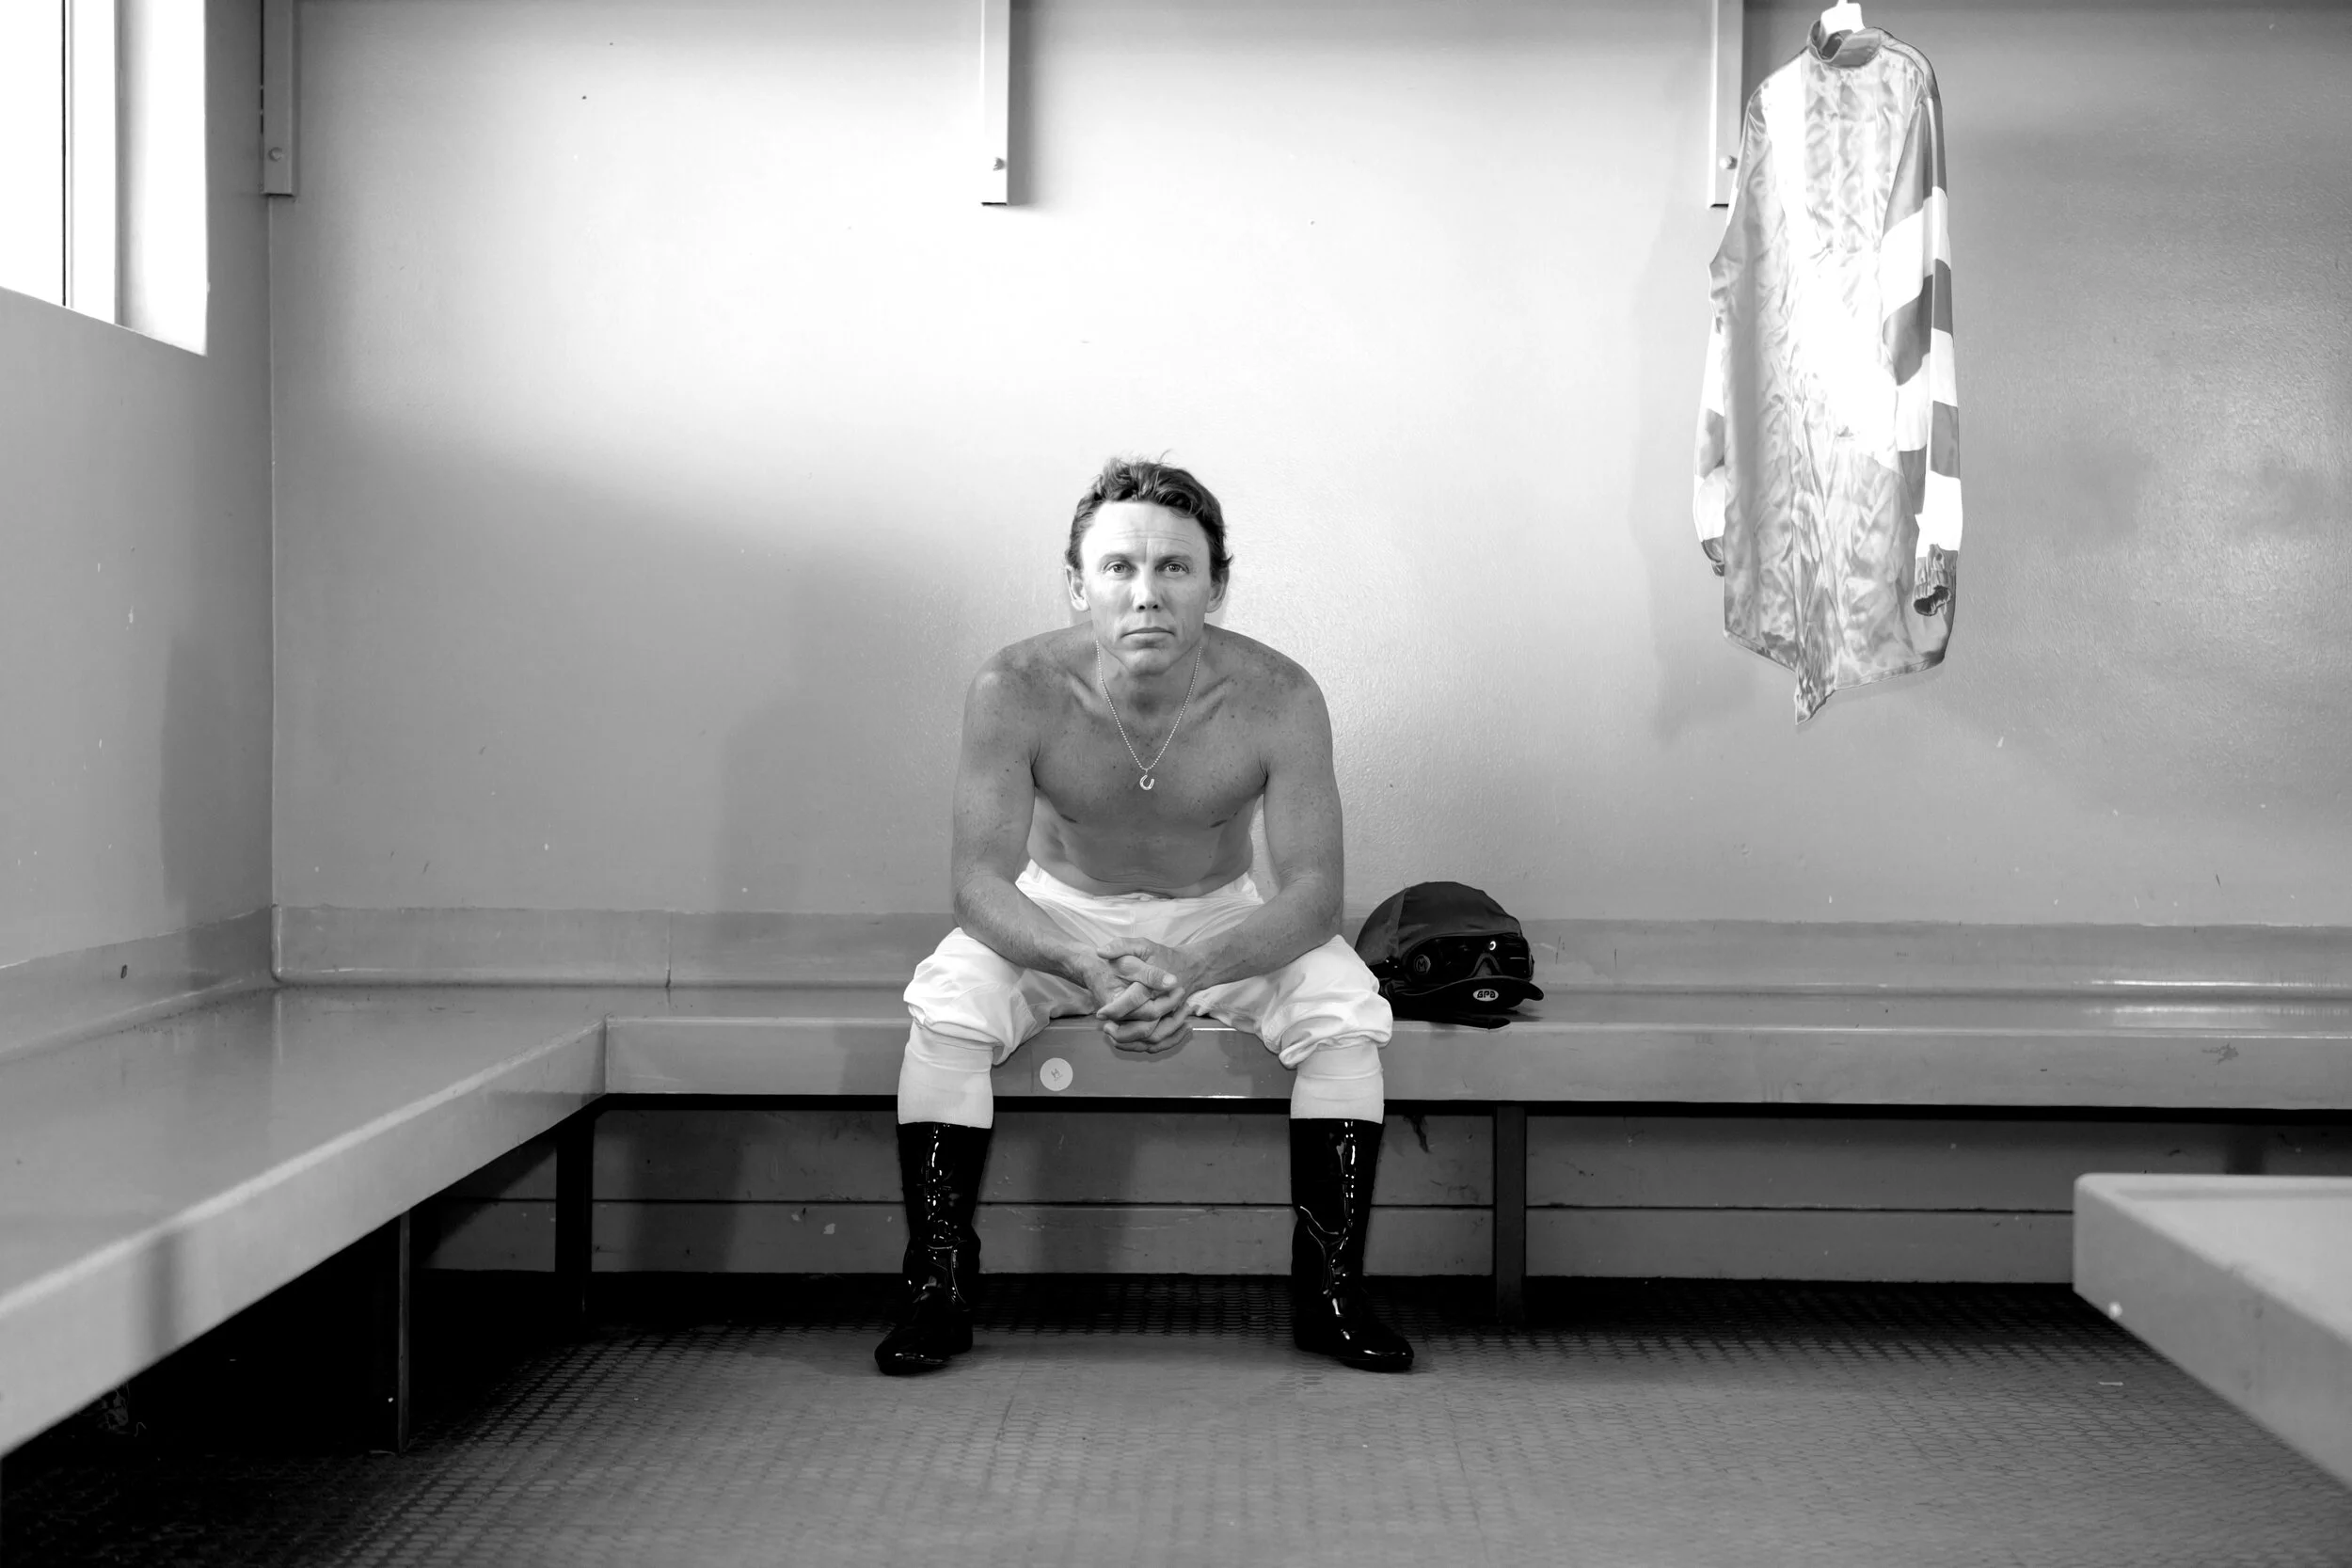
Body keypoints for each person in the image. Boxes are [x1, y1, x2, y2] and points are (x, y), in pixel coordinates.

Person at [877, 457, 1412, 1376]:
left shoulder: (1279, 697)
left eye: (1174, 567)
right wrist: (1083, 961)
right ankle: (938, 1284)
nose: (1146, 593)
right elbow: (978, 884)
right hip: (1056, 912)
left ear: (1215, 583)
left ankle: (1328, 1288)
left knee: (1344, 1011)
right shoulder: (1014, 688)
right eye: (1119, 567)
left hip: (1220, 918)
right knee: (950, 1004)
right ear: (1078, 582)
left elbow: (1313, 894)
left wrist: (1195, 968)